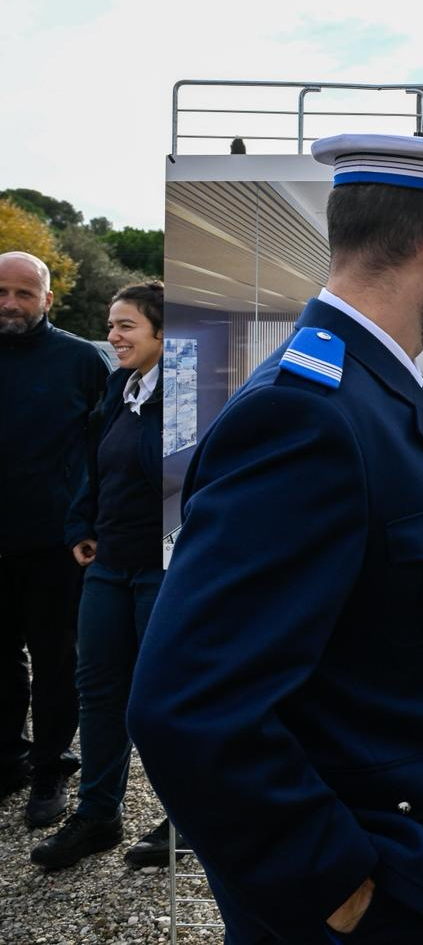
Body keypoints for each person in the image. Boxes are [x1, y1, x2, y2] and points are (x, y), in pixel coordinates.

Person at [128, 134, 423, 943]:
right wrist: (341, 889)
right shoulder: (309, 414)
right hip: (349, 909)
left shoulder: (376, 386)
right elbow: (187, 705)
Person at [32, 282, 177, 870]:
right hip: (109, 565)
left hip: (161, 570)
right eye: (112, 325)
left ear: (162, 335)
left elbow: (169, 476)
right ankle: (98, 815)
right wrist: (79, 525)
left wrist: (152, 413)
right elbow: (94, 466)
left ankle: (182, 818)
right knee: (98, 692)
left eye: (126, 327)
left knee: (159, 699)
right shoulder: (122, 385)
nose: (113, 337)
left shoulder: (183, 397)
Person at [0, 251, 105, 829]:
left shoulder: (79, 361)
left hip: (54, 541)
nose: (10, 304)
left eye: (23, 293)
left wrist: (91, 522)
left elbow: (103, 444)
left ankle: (49, 771)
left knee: (56, 659)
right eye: (1, 292)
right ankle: (8, 760)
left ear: (47, 299)